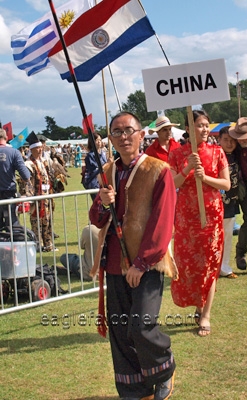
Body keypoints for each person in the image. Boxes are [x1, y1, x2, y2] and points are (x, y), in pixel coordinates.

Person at [89, 112, 177, 400]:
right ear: (111, 138)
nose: (124, 136)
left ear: (141, 135)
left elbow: (162, 222)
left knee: (141, 325)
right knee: (120, 331)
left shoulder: (159, 170)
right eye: (117, 132)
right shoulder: (108, 170)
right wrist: (104, 203)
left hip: (148, 263)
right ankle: (134, 390)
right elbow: (97, 218)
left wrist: (141, 263)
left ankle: (164, 369)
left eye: (129, 130)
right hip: (114, 261)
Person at [168, 109, 230, 337]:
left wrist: (205, 178)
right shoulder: (177, 154)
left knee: (210, 264)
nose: (204, 129)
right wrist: (186, 169)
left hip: (211, 216)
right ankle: (198, 303)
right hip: (186, 216)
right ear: (188, 128)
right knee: (189, 265)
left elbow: (226, 184)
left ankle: (206, 315)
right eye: (199, 125)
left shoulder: (217, 151)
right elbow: (171, 183)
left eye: (206, 125)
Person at [19, 133, 57, 252]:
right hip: (36, 198)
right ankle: (37, 244)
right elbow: (25, 183)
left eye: (41, 147)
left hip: (47, 196)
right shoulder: (28, 164)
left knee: (48, 221)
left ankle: (48, 244)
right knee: (36, 223)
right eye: (37, 148)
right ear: (32, 149)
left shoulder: (44, 161)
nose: (40, 150)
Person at [218, 126, 239, 278]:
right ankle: (214, 267)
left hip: (231, 202)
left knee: (227, 237)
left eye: (232, 140)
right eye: (226, 140)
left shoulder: (236, 155)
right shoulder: (216, 155)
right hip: (215, 203)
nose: (229, 143)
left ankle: (224, 267)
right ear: (219, 140)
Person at [229, 117, 247, 271]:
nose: (241, 141)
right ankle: (240, 254)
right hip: (245, 188)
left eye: (245, 138)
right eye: (239, 138)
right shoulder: (234, 148)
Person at [0, 128, 30, 229]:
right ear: (6, 138)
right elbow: (26, 175)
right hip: (9, 195)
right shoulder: (14, 152)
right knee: (12, 226)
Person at [83, 132, 107, 200]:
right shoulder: (90, 155)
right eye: (97, 140)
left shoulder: (103, 153)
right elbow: (95, 169)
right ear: (92, 142)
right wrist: (107, 165)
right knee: (98, 204)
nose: (99, 142)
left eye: (100, 140)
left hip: (104, 181)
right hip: (94, 182)